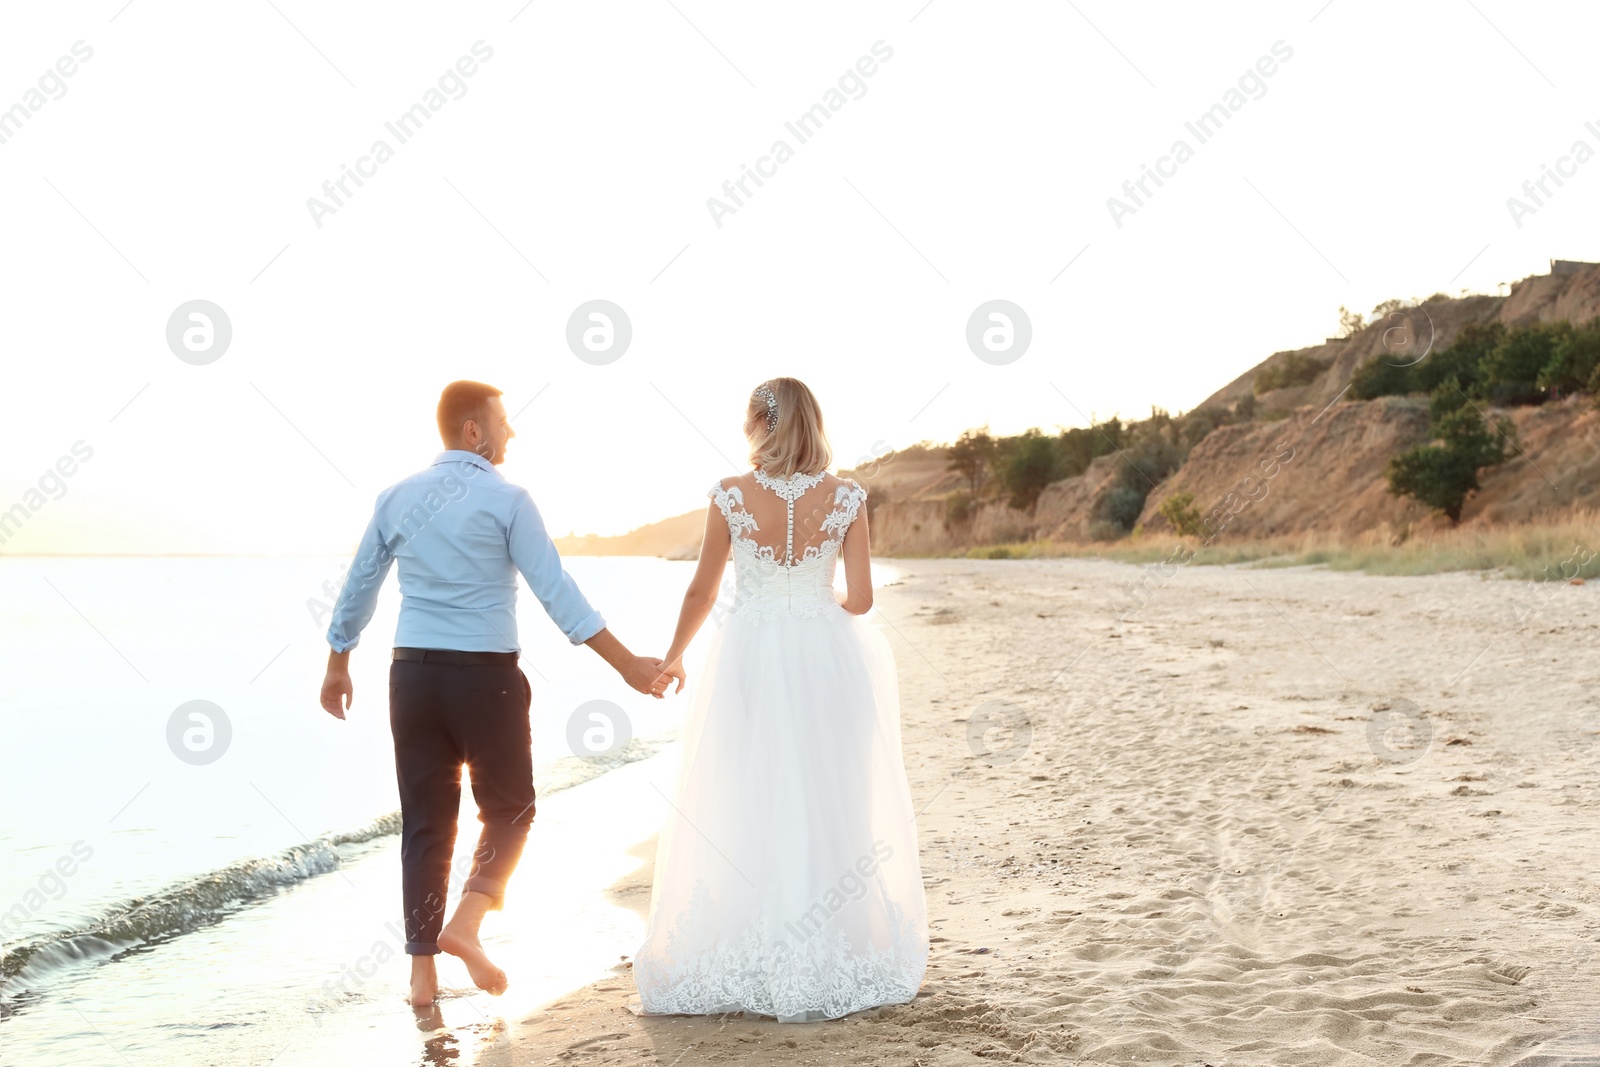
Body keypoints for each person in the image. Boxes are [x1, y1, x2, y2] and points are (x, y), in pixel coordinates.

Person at [318, 380, 667, 1007]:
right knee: (511, 808)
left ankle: (422, 979)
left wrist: (338, 662)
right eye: (503, 422)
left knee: (426, 822)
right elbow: (557, 593)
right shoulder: (508, 498)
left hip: (412, 677)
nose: (512, 433)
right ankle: (466, 924)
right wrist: (628, 667)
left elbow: (359, 585)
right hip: (485, 679)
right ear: (473, 431)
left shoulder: (395, 497)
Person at [633, 377, 928, 1022]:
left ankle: (755, 943)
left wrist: (674, 655)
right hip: (829, 656)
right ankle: (836, 940)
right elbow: (863, 599)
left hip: (750, 654)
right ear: (812, 422)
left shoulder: (730, 496)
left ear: (757, 425)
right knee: (833, 792)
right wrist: (821, 609)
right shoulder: (847, 496)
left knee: (749, 792)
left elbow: (702, 592)